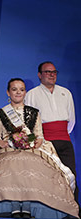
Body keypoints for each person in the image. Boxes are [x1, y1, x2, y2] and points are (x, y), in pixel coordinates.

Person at [0, 78, 79, 219]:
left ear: (25, 92)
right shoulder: (1, 113)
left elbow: (39, 136)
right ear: (8, 92)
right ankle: (12, 205)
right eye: (14, 89)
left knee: (33, 165)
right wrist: (0, 143)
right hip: (7, 147)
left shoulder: (34, 113)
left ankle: (28, 206)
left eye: (21, 89)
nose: (18, 92)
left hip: (30, 147)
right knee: (10, 165)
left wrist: (33, 144)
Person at [25, 61, 78, 201]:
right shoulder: (32, 94)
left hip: (64, 140)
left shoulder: (65, 93)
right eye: (48, 72)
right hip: (44, 141)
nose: (51, 75)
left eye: (54, 72)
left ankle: (72, 208)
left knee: (70, 174)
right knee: (46, 175)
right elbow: (29, 123)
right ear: (39, 75)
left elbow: (71, 120)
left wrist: (61, 133)